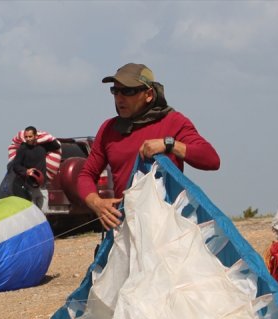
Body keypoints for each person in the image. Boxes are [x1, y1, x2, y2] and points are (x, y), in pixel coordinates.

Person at [77, 63, 220, 230]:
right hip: (126, 227)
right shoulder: (109, 128)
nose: (119, 98)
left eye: (128, 91)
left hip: (168, 229)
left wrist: (169, 144)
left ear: (149, 94)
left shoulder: (173, 121)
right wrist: (96, 202)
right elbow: (86, 175)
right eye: (115, 91)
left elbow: (211, 160)